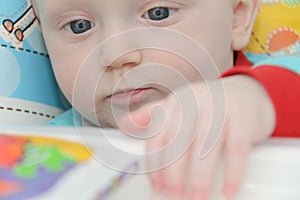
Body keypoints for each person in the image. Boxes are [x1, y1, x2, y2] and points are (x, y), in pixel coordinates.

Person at [31, 0, 300, 199]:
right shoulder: (41, 153)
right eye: (80, 26)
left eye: (157, 13)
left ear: (236, 17)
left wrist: (253, 97)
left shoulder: (274, 85)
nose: (116, 54)